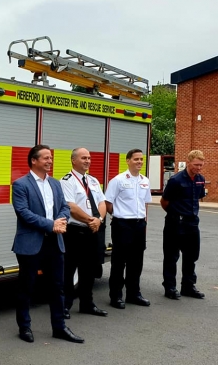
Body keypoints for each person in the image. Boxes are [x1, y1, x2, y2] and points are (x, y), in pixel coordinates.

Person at [12, 145, 84, 344]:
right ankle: (24, 327)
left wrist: (60, 221)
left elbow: (64, 207)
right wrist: (51, 224)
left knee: (57, 287)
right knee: (27, 287)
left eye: (50, 157)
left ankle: (59, 327)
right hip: (31, 243)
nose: (49, 161)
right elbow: (23, 212)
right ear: (34, 161)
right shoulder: (20, 184)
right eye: (45, 158)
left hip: (54, 242)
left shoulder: (55, 184)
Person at [60, 147, 108, 319]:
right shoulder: (67, 181)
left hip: (93, 230)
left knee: (89, 270)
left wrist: (99, 220)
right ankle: (64, 306)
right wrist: (90, 220)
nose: (87, 161)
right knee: (69, 270)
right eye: (83, 158)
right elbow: (70, 206)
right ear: (73, 160)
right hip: (75, 231)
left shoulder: (93, 180)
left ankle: (87, 303)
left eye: (89, 158)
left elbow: (102, 203)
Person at [105, 148, 151, 309]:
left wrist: (143, 222)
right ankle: (116, 296)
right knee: (119, 262)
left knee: (136, 262)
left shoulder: (145, 180)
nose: (139, 162)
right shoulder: (118, 180)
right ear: (128, 160)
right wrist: (118, 215)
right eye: (136, 159)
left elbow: (145, 203)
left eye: (141, 159)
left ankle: (134, 294)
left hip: (139, 225)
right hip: (123, 225)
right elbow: (108, 203)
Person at [161, 150, 206, 300]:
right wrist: (176, 214)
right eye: (195, 165)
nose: (198, 168)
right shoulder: (176, 180)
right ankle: (170, 287)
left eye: (201, 165)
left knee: (191, 256)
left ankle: (188, 286)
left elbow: (197, 197)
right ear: (188, 162)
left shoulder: (200, 179)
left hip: (192, 223)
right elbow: (164, 201)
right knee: (171, 256)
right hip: (175, 223)